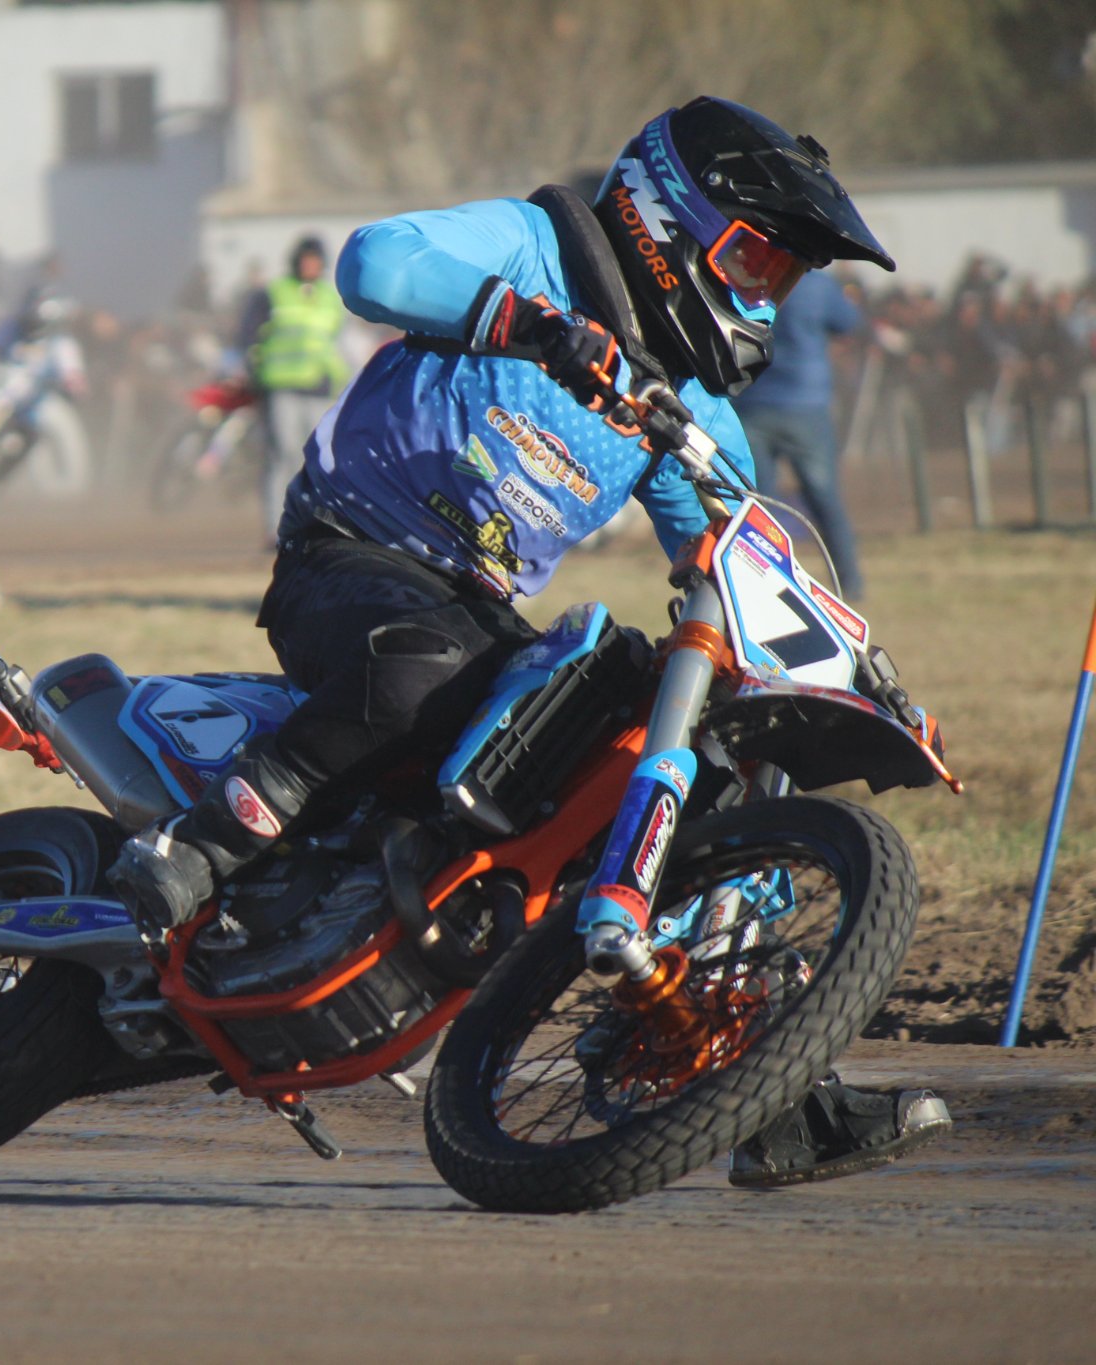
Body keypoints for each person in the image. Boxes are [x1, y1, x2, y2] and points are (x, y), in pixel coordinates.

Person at [108, 97, 951, 1188]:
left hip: (480, 612)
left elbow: (740, 545)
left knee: (667, 751)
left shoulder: (687, 402)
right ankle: (199, 846)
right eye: (752, 260)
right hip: (350, 553)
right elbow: (372, 263)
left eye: (780, 278)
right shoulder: (535, 243)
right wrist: (532, 326)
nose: (759, 297)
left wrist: (851, 668)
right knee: (430, 665)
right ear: (668, 217)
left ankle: (778, 1095)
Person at [730, 267, 866, 596]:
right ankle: (849, 583)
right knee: (824, 496)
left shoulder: (749, 276)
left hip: (752, 400)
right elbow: (849, 322)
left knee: (758, 505)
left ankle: (762, 584)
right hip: (806, 404)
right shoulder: (818, 285)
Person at [235, 236, 348, 543]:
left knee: (317, 459)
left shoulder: (329, 298)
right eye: (305, 259)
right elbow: (249, 336)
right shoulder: (274, 292)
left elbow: (336, 343)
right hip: (281, 384)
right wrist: (254, 372)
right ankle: (276, 528)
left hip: (319, 386)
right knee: (282, 454)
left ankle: (313, 525)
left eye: (315, 259)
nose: (310, 265)